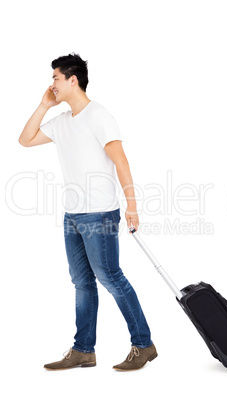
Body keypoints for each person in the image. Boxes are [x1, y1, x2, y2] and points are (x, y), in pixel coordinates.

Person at [18, 53, 157, 371]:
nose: (51, 83)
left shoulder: (99, 115)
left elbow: (121, 161)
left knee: (111, 277)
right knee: (82, 281)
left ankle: (143, 344)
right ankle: (84, 350)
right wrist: (43, 106)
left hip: (100, 215)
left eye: (55, 77)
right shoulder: (61, 122)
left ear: (72, 79)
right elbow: (25, 140)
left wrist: (132, 205)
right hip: (73, 215)